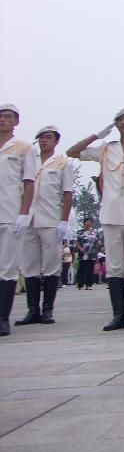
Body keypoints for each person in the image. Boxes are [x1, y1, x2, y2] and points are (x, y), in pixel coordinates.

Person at [67, 106, 124, 331]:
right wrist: (97, 135)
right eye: (119, 120)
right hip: (111, 214)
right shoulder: (106, 149)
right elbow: (72, 152)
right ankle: (118, 314)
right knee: (115, 267)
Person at [15, 126, 73, 327]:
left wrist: (64, 220)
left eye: (48, 137)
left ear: (56, 141)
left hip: (50, 219)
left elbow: (67, 193)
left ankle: (47, 309)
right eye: (41, 138)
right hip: (29, 218)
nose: (44, 141)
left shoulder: (62, 163)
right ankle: (33, 310)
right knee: (29, 265)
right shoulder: (30, 161)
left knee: (51, 265)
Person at [0, 105, 39, 336]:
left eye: (8, 117)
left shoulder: (24, 148)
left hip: (10, 212)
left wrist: (24, 213)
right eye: (1, 117)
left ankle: (3, 317)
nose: (3, 120)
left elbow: (28, 182)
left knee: (7, 268)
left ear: (16, 122)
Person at [76, 218, 100, 289]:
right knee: (82, 269)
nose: (88, 224)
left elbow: (97, 242)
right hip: (83, 254)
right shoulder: (79, 232)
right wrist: (80, 248)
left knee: (90, 269)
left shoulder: (94, 232)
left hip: (92, 254)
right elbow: (75, 241)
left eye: (90, 223)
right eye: (86, 222)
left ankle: (88, 284)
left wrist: (97, 251)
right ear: (84, 223)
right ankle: (80, 284)